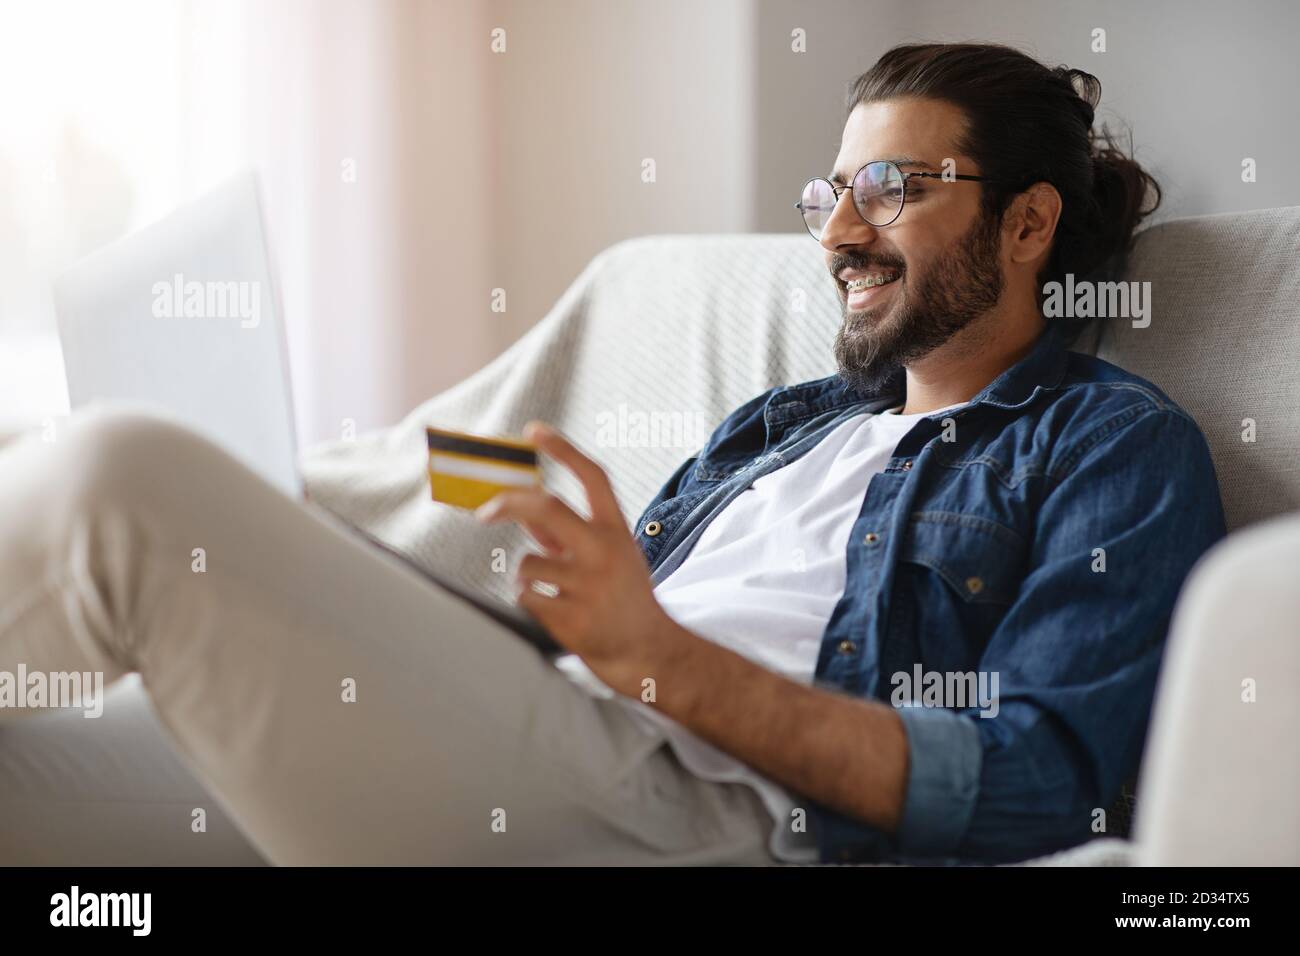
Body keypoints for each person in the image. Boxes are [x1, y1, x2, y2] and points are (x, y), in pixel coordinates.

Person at [0, 42, 1225, 865]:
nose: (840, 232)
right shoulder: (778, 427)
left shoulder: (1111, 445)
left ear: (1025, 222)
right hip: (546, 736)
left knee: (119, 485)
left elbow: (1044, 776)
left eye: (892, 187)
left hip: (703, 812)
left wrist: (661, 662)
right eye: (829, 194)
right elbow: (611, 630)